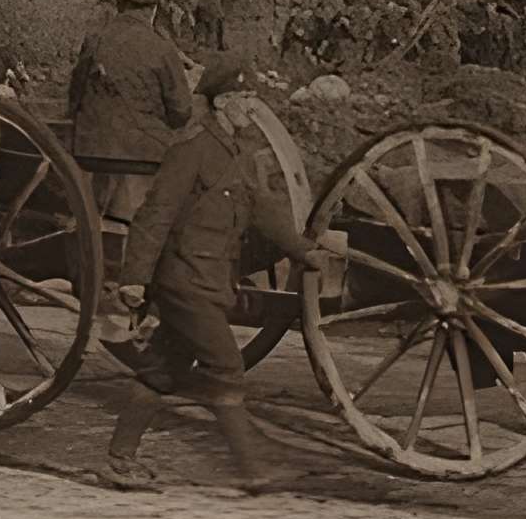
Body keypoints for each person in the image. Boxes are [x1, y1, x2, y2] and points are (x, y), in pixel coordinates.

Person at [99, 55, 343, 493]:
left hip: (208, 279)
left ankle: (119, 460)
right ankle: (253, 471)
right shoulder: (191, 150)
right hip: (185, 280)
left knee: (162, 371)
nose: (251, 106)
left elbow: (262, 211)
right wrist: (134, 278)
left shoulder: (237, 153)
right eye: (245, 97)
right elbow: (155, 214)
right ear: (224, 101)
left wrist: (304, 250)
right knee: (226, 367)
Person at [69, 0, 193, 223]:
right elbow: (181, 113)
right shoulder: (162, 49)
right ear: (155, 6)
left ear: (118, 0)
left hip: (90, 150)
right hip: (143, 155)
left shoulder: (95, 40)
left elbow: (74, 99)